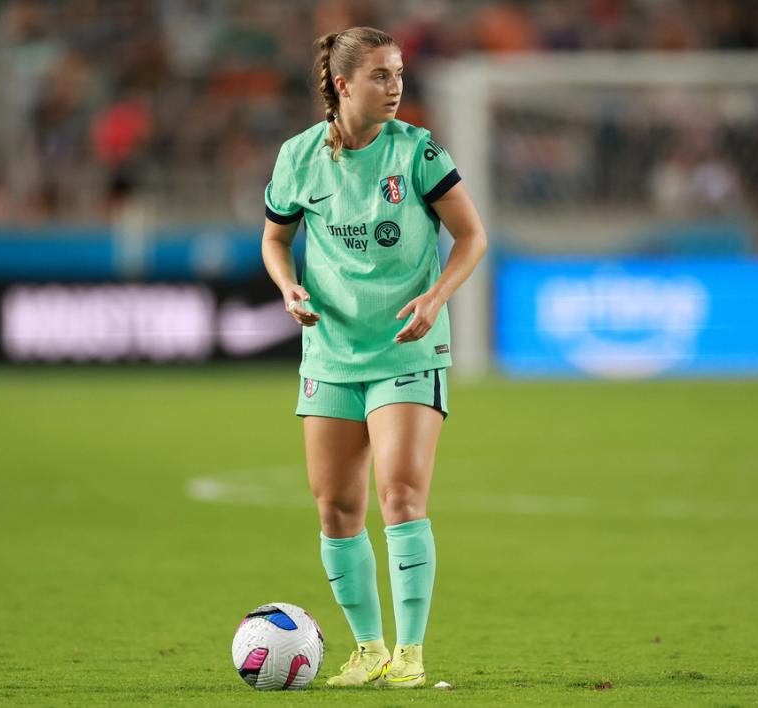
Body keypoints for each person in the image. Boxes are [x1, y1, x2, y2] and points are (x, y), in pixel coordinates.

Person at [260, 27, 487, 688]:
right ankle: (369, 648)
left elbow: (472, 235)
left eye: (399, 75)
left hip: (405, 349)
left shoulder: (417, 152)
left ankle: (411, 653)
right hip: (329, 354)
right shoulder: (298, 157)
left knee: (401, 495)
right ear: (342, 83)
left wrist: (437, 297)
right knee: (335, 509)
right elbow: (275, 240)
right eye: (382, 76)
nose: (395, 88)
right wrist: (287, 286)